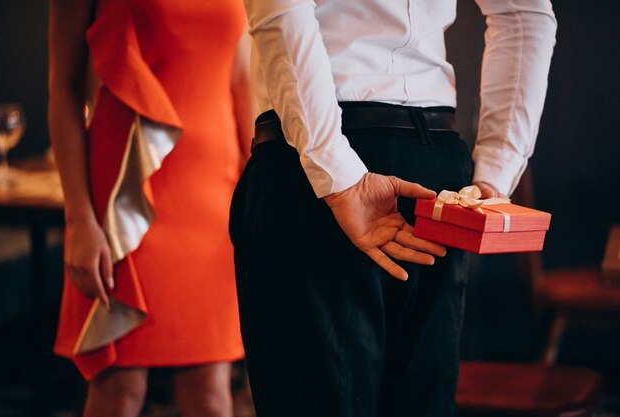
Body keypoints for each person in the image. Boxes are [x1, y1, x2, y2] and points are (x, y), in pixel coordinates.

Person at [229, 0, 556, 416]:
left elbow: (283, 10)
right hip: (434, 168)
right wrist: (495, 172)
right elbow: (524, 14)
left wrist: (339, 175)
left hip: (316, 162)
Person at [48, 0, 252, 416]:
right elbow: (62, 92)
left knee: (212, 391)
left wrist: (259, 189)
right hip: (128, 194)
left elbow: (240, 79)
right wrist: (79, 220)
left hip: (215, 198)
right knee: (118, 390)